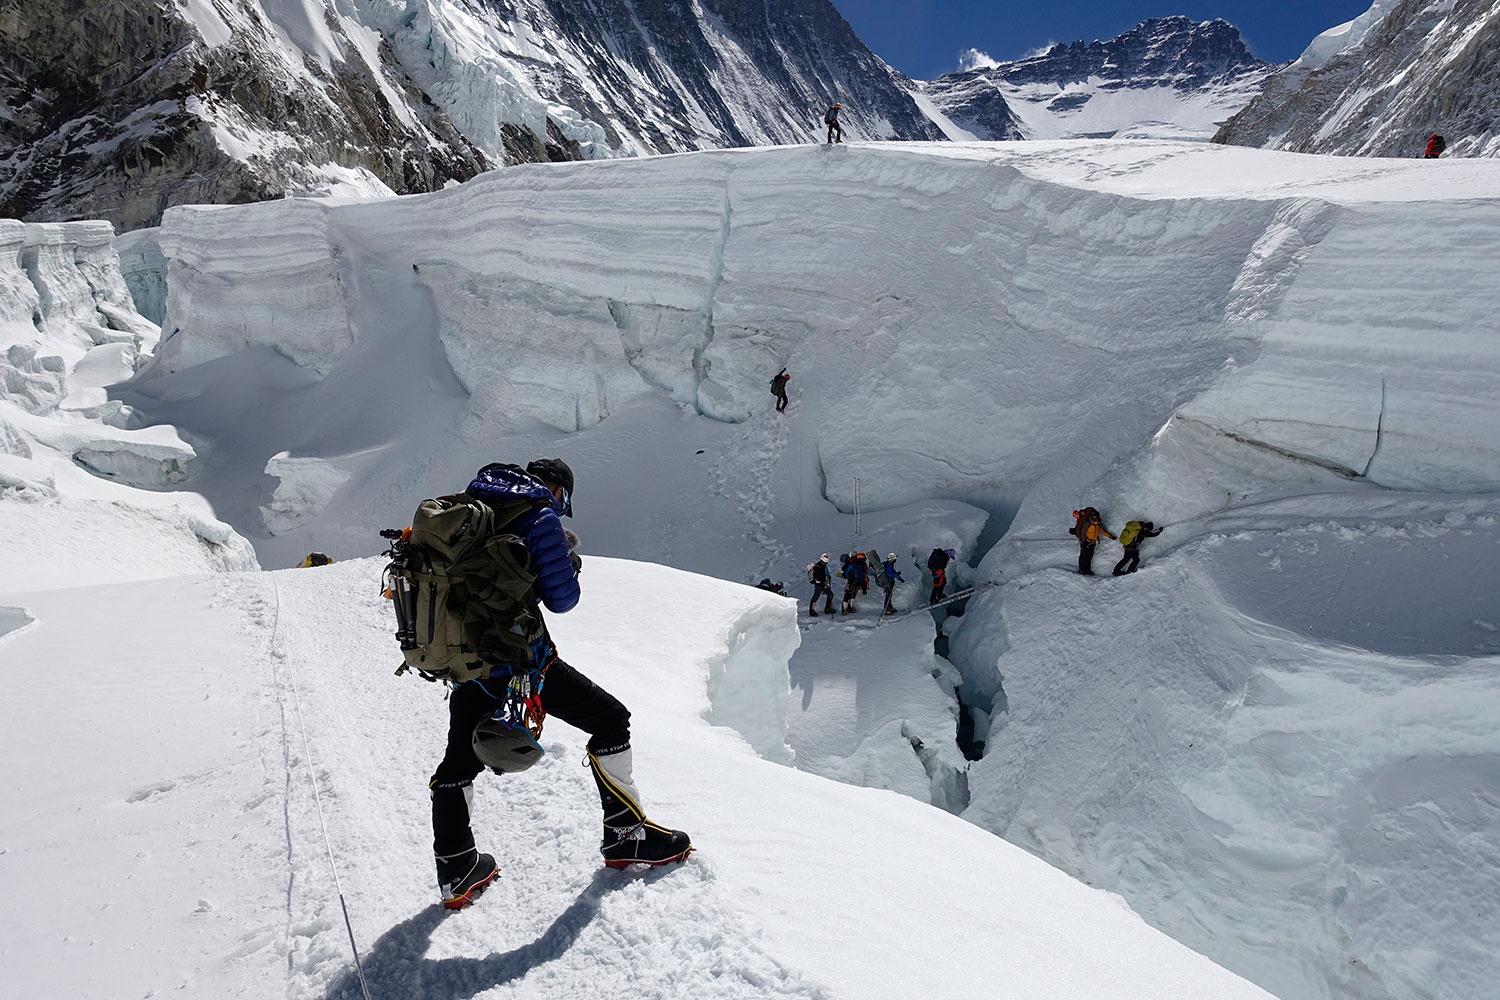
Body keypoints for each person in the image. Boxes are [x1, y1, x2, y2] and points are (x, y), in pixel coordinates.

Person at [427, 458, 691, 909]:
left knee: (457, 763)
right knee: (611, 721)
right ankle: (626, 837)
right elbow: (563, 599)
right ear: (556, 489)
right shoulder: (537, 512)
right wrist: (565, 559)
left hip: (467, 662)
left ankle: (457, 870)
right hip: (522, 664)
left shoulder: (469, 506)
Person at [1070, 507, 1114, 576]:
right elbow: (1083, 532)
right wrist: (1083, 542)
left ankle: (1087, 570)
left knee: (1089, 556)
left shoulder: (1098, 524)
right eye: (1094, 521)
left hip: (1092, 542)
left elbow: (1102, 530)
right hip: (1085, 542)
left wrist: (1110, 536)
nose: (1096, 522)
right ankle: (1081, 570)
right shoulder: (1087, 523)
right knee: (1083, 556)